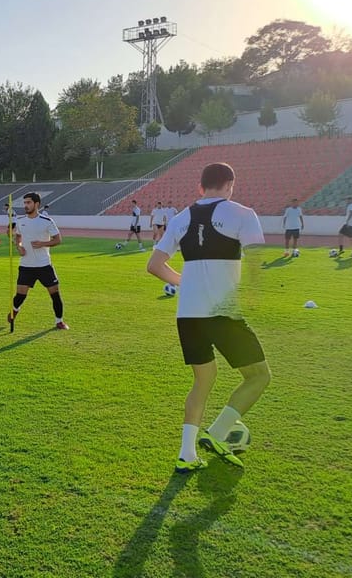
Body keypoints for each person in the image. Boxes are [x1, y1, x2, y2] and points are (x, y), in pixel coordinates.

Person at [147, 163, 272, 473]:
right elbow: (256, 257)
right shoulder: (243, 214)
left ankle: (186, 454)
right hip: (222, 312)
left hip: (188, 314)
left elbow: (155, 265)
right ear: (230, 184)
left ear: (200, 187)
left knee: (202, 381)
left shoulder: (180, 218)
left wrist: (185, 283)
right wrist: (254, 293)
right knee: (259, 376)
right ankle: (217, 433)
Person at [8, 192, 69, 330]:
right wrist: (19, 247)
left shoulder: (47, 221)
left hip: (44, 266)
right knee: (20, 296)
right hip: (26, 266)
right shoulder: (20, 221)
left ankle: (59, 321)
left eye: (28, 203)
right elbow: (17, 237)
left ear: (37, 204)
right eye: (24, 203)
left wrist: (42, 243)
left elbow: (58, 240)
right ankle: (14, 310)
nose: (26, 205)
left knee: (55, 294)